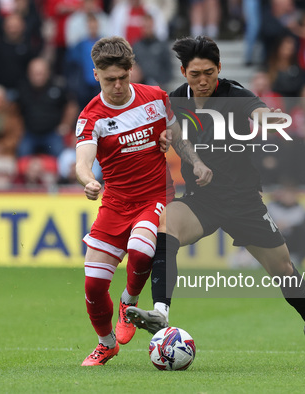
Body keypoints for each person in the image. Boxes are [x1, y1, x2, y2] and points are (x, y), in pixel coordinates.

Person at [127, 36, 305, 367]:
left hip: (244, 201)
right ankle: (160, 312)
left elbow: (258, 111)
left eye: (209, 73)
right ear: (184, 71)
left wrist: (265, 118)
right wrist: (161, 139)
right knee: (165, 222)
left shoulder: (235, 94)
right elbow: (162, 133)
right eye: (195, 74)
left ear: (220, 68)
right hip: (202, 199)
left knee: (284, 270)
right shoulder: (174, 102)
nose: (203, 81)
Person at [75, 36, 210, 366]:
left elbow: (176, 137)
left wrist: (196, 162)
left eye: (123, 77)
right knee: (93, 286)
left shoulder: (155, 98)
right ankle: (105, 344)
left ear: (131, 70)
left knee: (141, 249)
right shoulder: (91, 117)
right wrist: (89, 181)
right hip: (116, 203)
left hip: (155, 196)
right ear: (96, 75)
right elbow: (82, 160)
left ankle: (128, 300)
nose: (118, 85)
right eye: (110, 80)